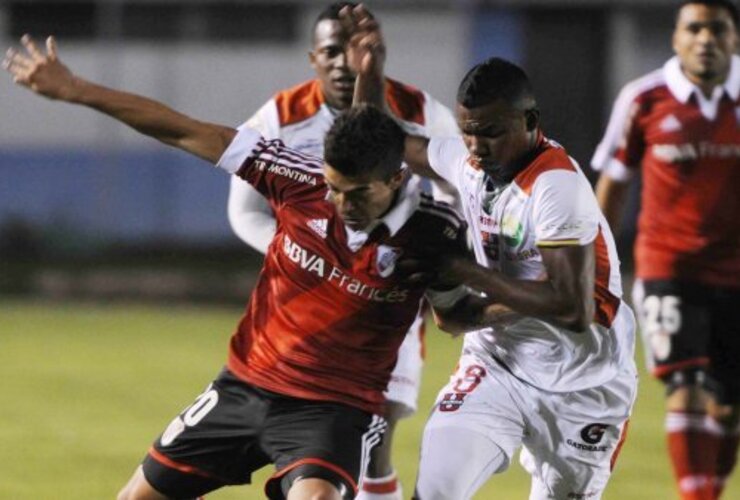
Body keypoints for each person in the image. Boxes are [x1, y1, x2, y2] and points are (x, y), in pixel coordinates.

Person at [3, 34, 469, 500]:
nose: (341, 204)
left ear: (396, 178)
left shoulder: (434, 234)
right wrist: (76, 89)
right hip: (244, 387)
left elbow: (455, 312)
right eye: (334, 188)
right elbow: (181, 129)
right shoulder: (295, 179)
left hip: (333, 411)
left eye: (358, 194)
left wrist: (516, 301)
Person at [345, 9, 638, 499]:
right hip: (498, 365)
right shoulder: (467, 159)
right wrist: (369, 75)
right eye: (468, 130)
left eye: (492, 131)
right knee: (436, 492)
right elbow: (377, 141)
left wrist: (465, 287)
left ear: (530, 121)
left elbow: (573, 305)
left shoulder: (555, 187)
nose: (477, 145)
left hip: (586, 385)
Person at [227, 4, 460, 497]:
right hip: (301, 305)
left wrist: (435, 253)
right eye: (331, 51)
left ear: (374, 55)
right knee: (347, 443)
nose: (342, 63)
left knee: (374, 439)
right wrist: (301, 249)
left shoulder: (419, 114)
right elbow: (244, 210)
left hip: (385, 299)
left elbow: (459, 187)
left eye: (354, 51)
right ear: (313, 58)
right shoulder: (281, 115)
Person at [591, 1, 740, 498]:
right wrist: (596, 268)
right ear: (676, 39)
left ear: (734, 39)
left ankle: (709, 487)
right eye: (693, 28)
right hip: (668, 266)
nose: (705, 39)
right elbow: (613, 182)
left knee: (727, 403)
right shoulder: (645, 98)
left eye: (717, 29)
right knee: (686, 382)